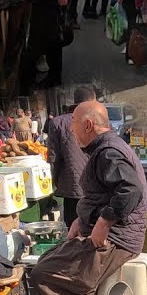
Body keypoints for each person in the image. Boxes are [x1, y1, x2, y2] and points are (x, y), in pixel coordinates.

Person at [29, 100, 147, 295]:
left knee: (42, 274)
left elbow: (130, 189)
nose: (71, 131)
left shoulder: (108, 152)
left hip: (117, 240)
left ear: (88, 124)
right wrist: (81, 220)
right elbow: (103, 192)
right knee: (47, 261)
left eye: (73, 125)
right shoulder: (104, 148)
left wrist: (104, 221)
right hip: (110, 234)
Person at [45, 87, 94, 228]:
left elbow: (53, 157)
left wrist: (52, 182)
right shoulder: (98, 121)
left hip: (71, 184)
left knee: (73, 226)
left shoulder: (58, 122)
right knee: (92, 226)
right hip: (95, 185)